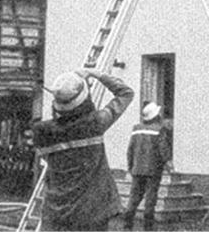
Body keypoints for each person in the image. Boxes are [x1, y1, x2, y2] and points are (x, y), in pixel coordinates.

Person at [31, 68, 134, 231]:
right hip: (92, 212)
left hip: (55, 214)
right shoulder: (95, 123)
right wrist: (95, 74)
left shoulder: (42, 133)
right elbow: (126, 93)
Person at [122, 102, 172, 231]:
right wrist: (168, 164)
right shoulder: (159, 129)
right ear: (155, 116)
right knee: (150, 200)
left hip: (137, 169)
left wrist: (130, 167)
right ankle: (148, 228)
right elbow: (163, 150)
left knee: (133, 200)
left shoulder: (136, 129)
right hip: (153, 171)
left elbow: (130, 150)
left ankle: (127, 227)